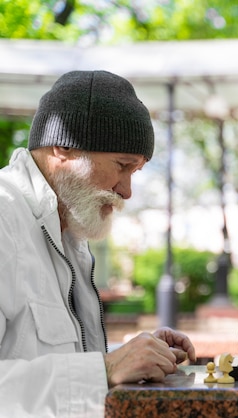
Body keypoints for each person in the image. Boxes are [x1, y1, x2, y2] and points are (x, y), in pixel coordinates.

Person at [0, 70, 196, 417]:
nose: (127, 191)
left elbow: (42, 360)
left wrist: (134, 354)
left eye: (134, 172)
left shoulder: (68, 230)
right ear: (63, 146)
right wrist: (103, 371)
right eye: (122, 166)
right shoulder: (4, 216)